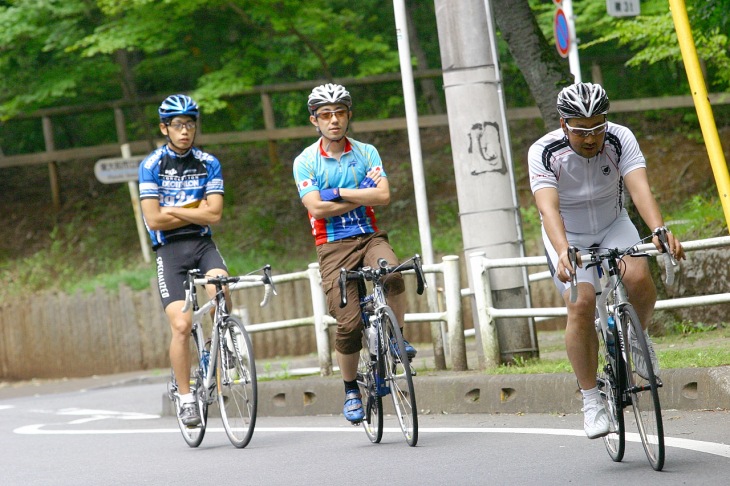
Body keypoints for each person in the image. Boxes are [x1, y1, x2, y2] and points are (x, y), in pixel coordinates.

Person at [527, 82, 685, 439]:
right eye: (581, 130)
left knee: (639, 277)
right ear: (564, 124)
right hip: (568, 233)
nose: (590, 138)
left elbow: (638, 187)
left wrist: (659, 229)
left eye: (597, 127)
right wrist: (564, 247)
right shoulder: (544, 150)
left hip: (614, 223)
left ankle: (636, 337)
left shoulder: (620, 138)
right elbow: (547, 207)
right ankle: (590, 400)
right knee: (581, 303)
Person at [292, 83, 416, 424]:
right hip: (332, 247)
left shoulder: (366, 152)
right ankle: (350, 390)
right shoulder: (305, 161)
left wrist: (339, 192)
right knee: (347, 327)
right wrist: (362, 193)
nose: (334, 120)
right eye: (326, 115)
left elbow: (384, 196)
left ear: (348, 116)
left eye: (340, 113)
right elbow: (316, 208)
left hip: (368, 235)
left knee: (392, 273)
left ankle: (397, 339)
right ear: (314, 120)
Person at [139, 94, 229, 427]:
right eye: (178, 125)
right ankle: (187, 396)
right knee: (181, 325)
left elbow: (215, 214)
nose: (185, 131)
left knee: (220, 289)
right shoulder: (151, 165)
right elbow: (153, 221)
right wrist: (195, 211)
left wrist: (172, 210)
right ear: (165, 128)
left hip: (202, 245)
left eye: (190, 124)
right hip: (170, 252)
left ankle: (221, 347)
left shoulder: (208, 162)